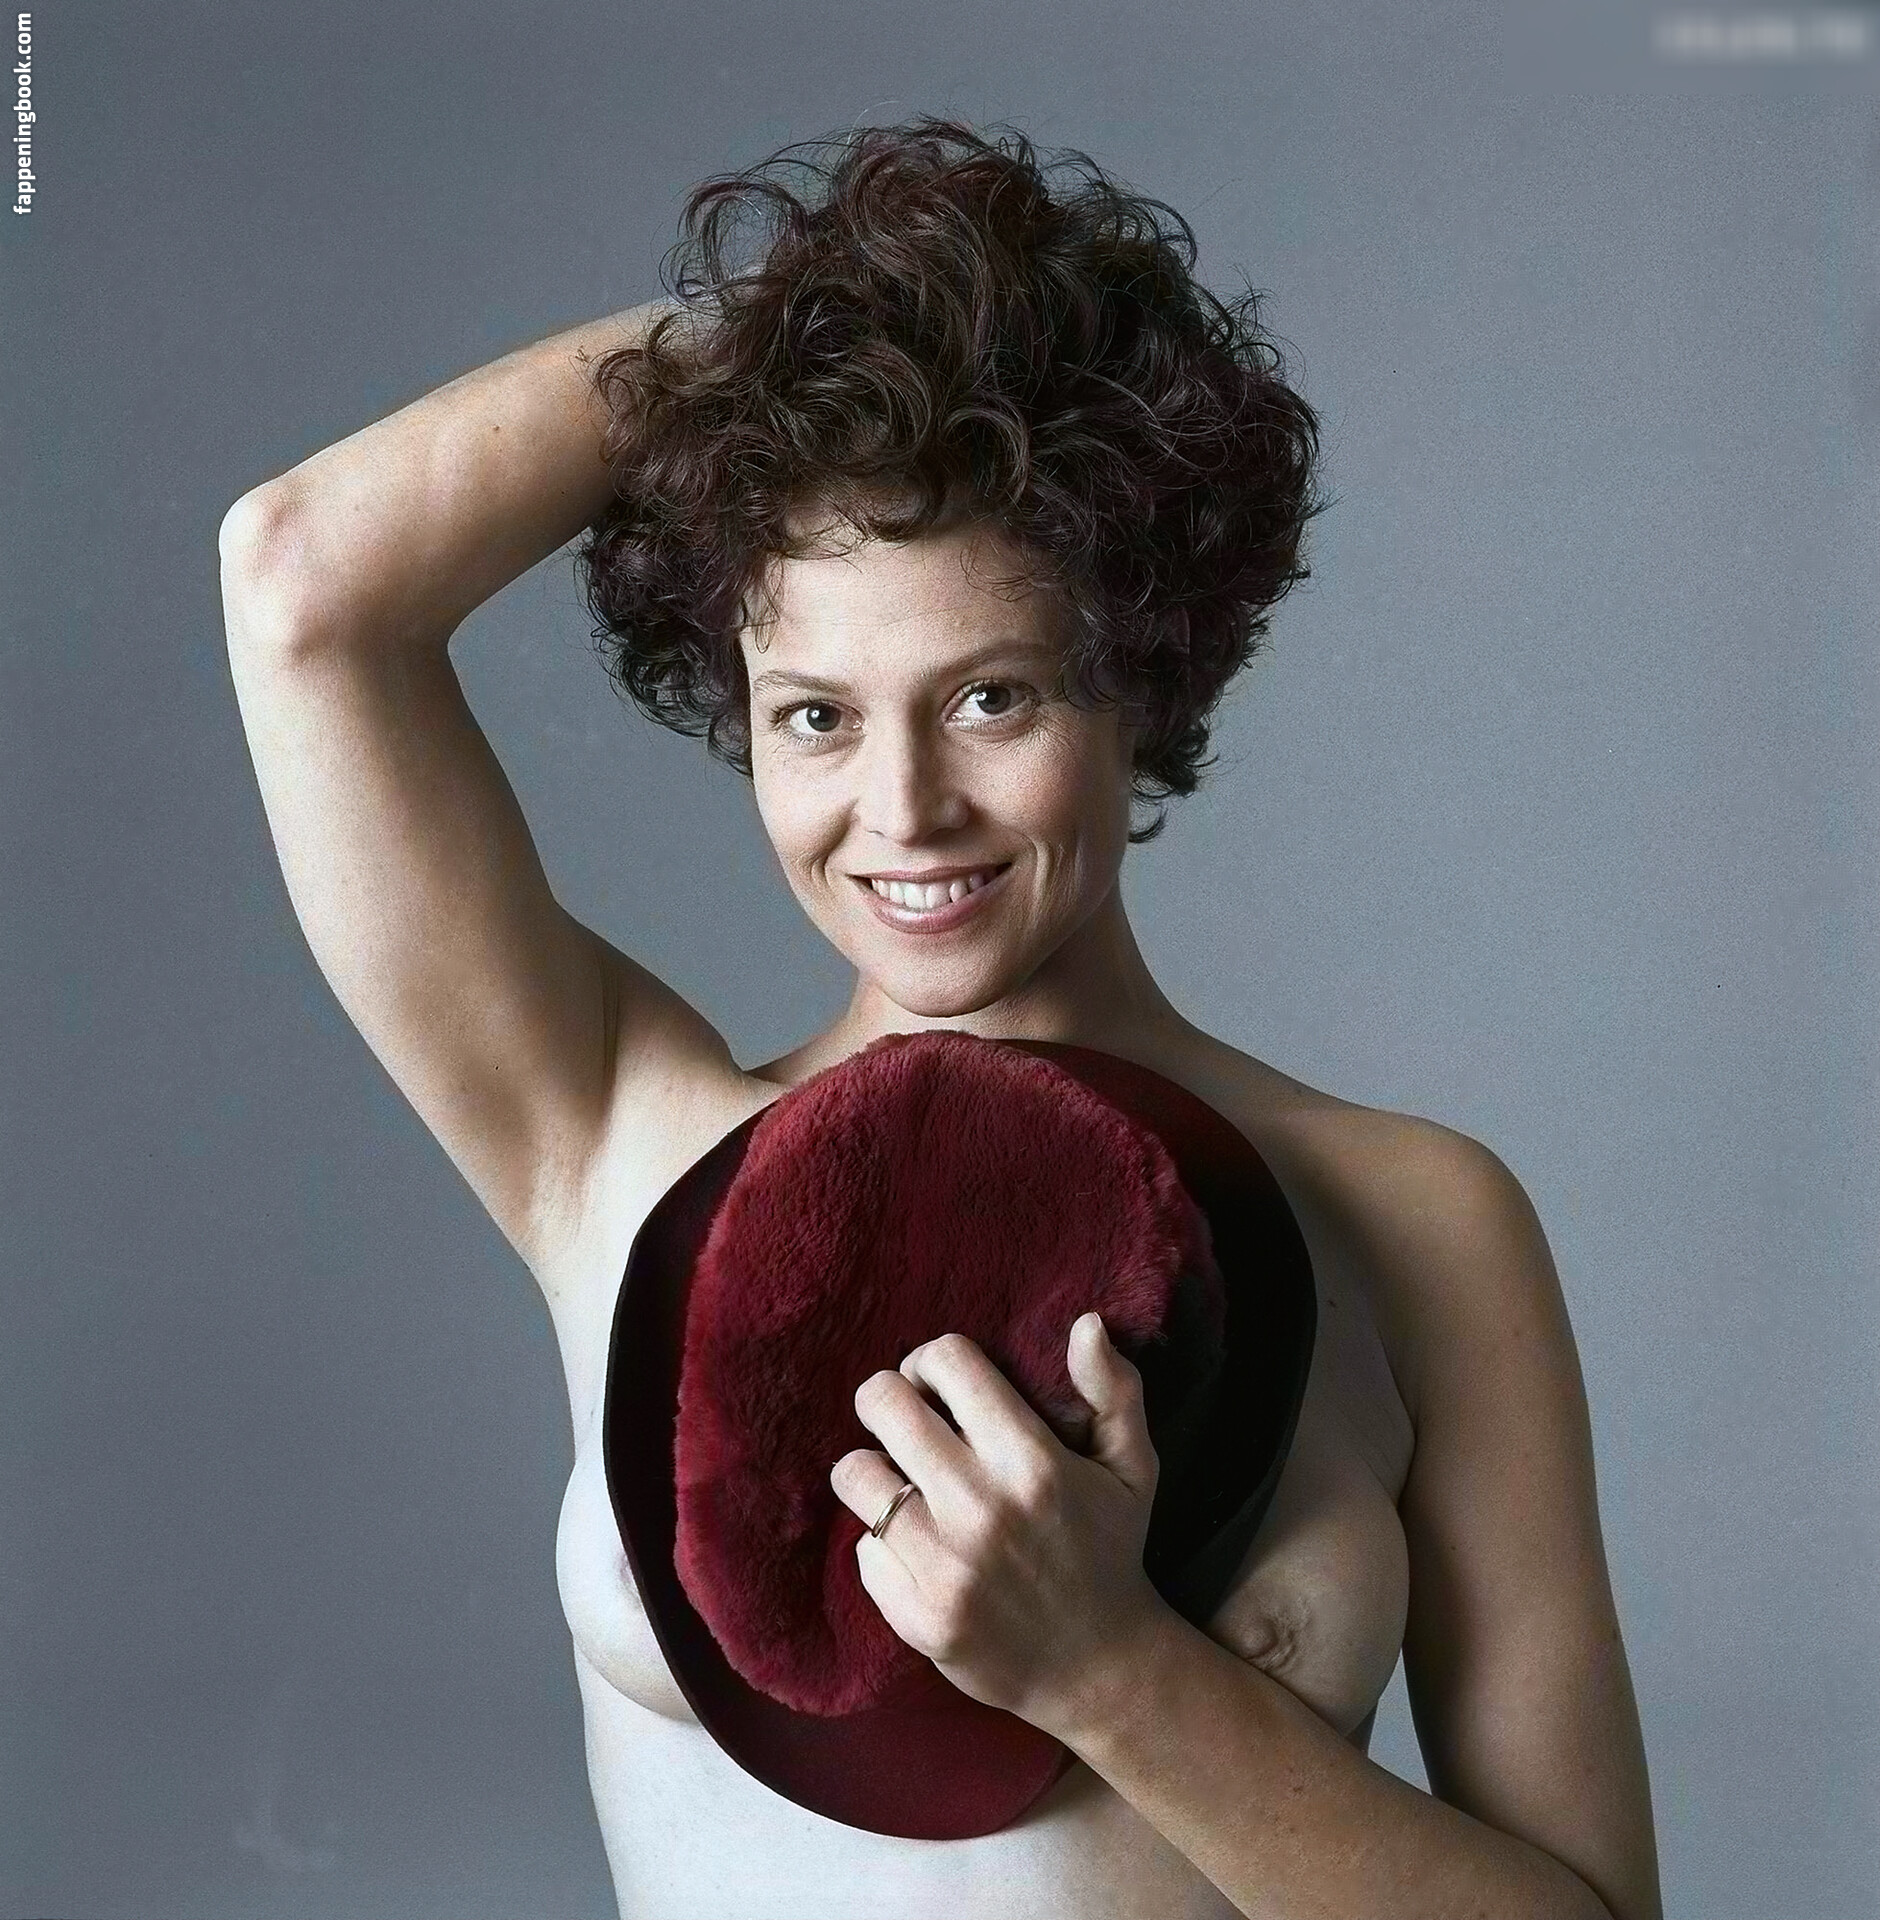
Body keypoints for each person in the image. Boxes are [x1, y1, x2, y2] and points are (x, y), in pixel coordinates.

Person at [217, 118, 1662, 1920]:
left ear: (1139, 680)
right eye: (817, 716)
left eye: (992, 698)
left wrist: (1112, 1673)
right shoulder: (611, 1139)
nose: (902, 811)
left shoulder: (1418, 1222)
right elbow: (303, 579)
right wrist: (821, 346)